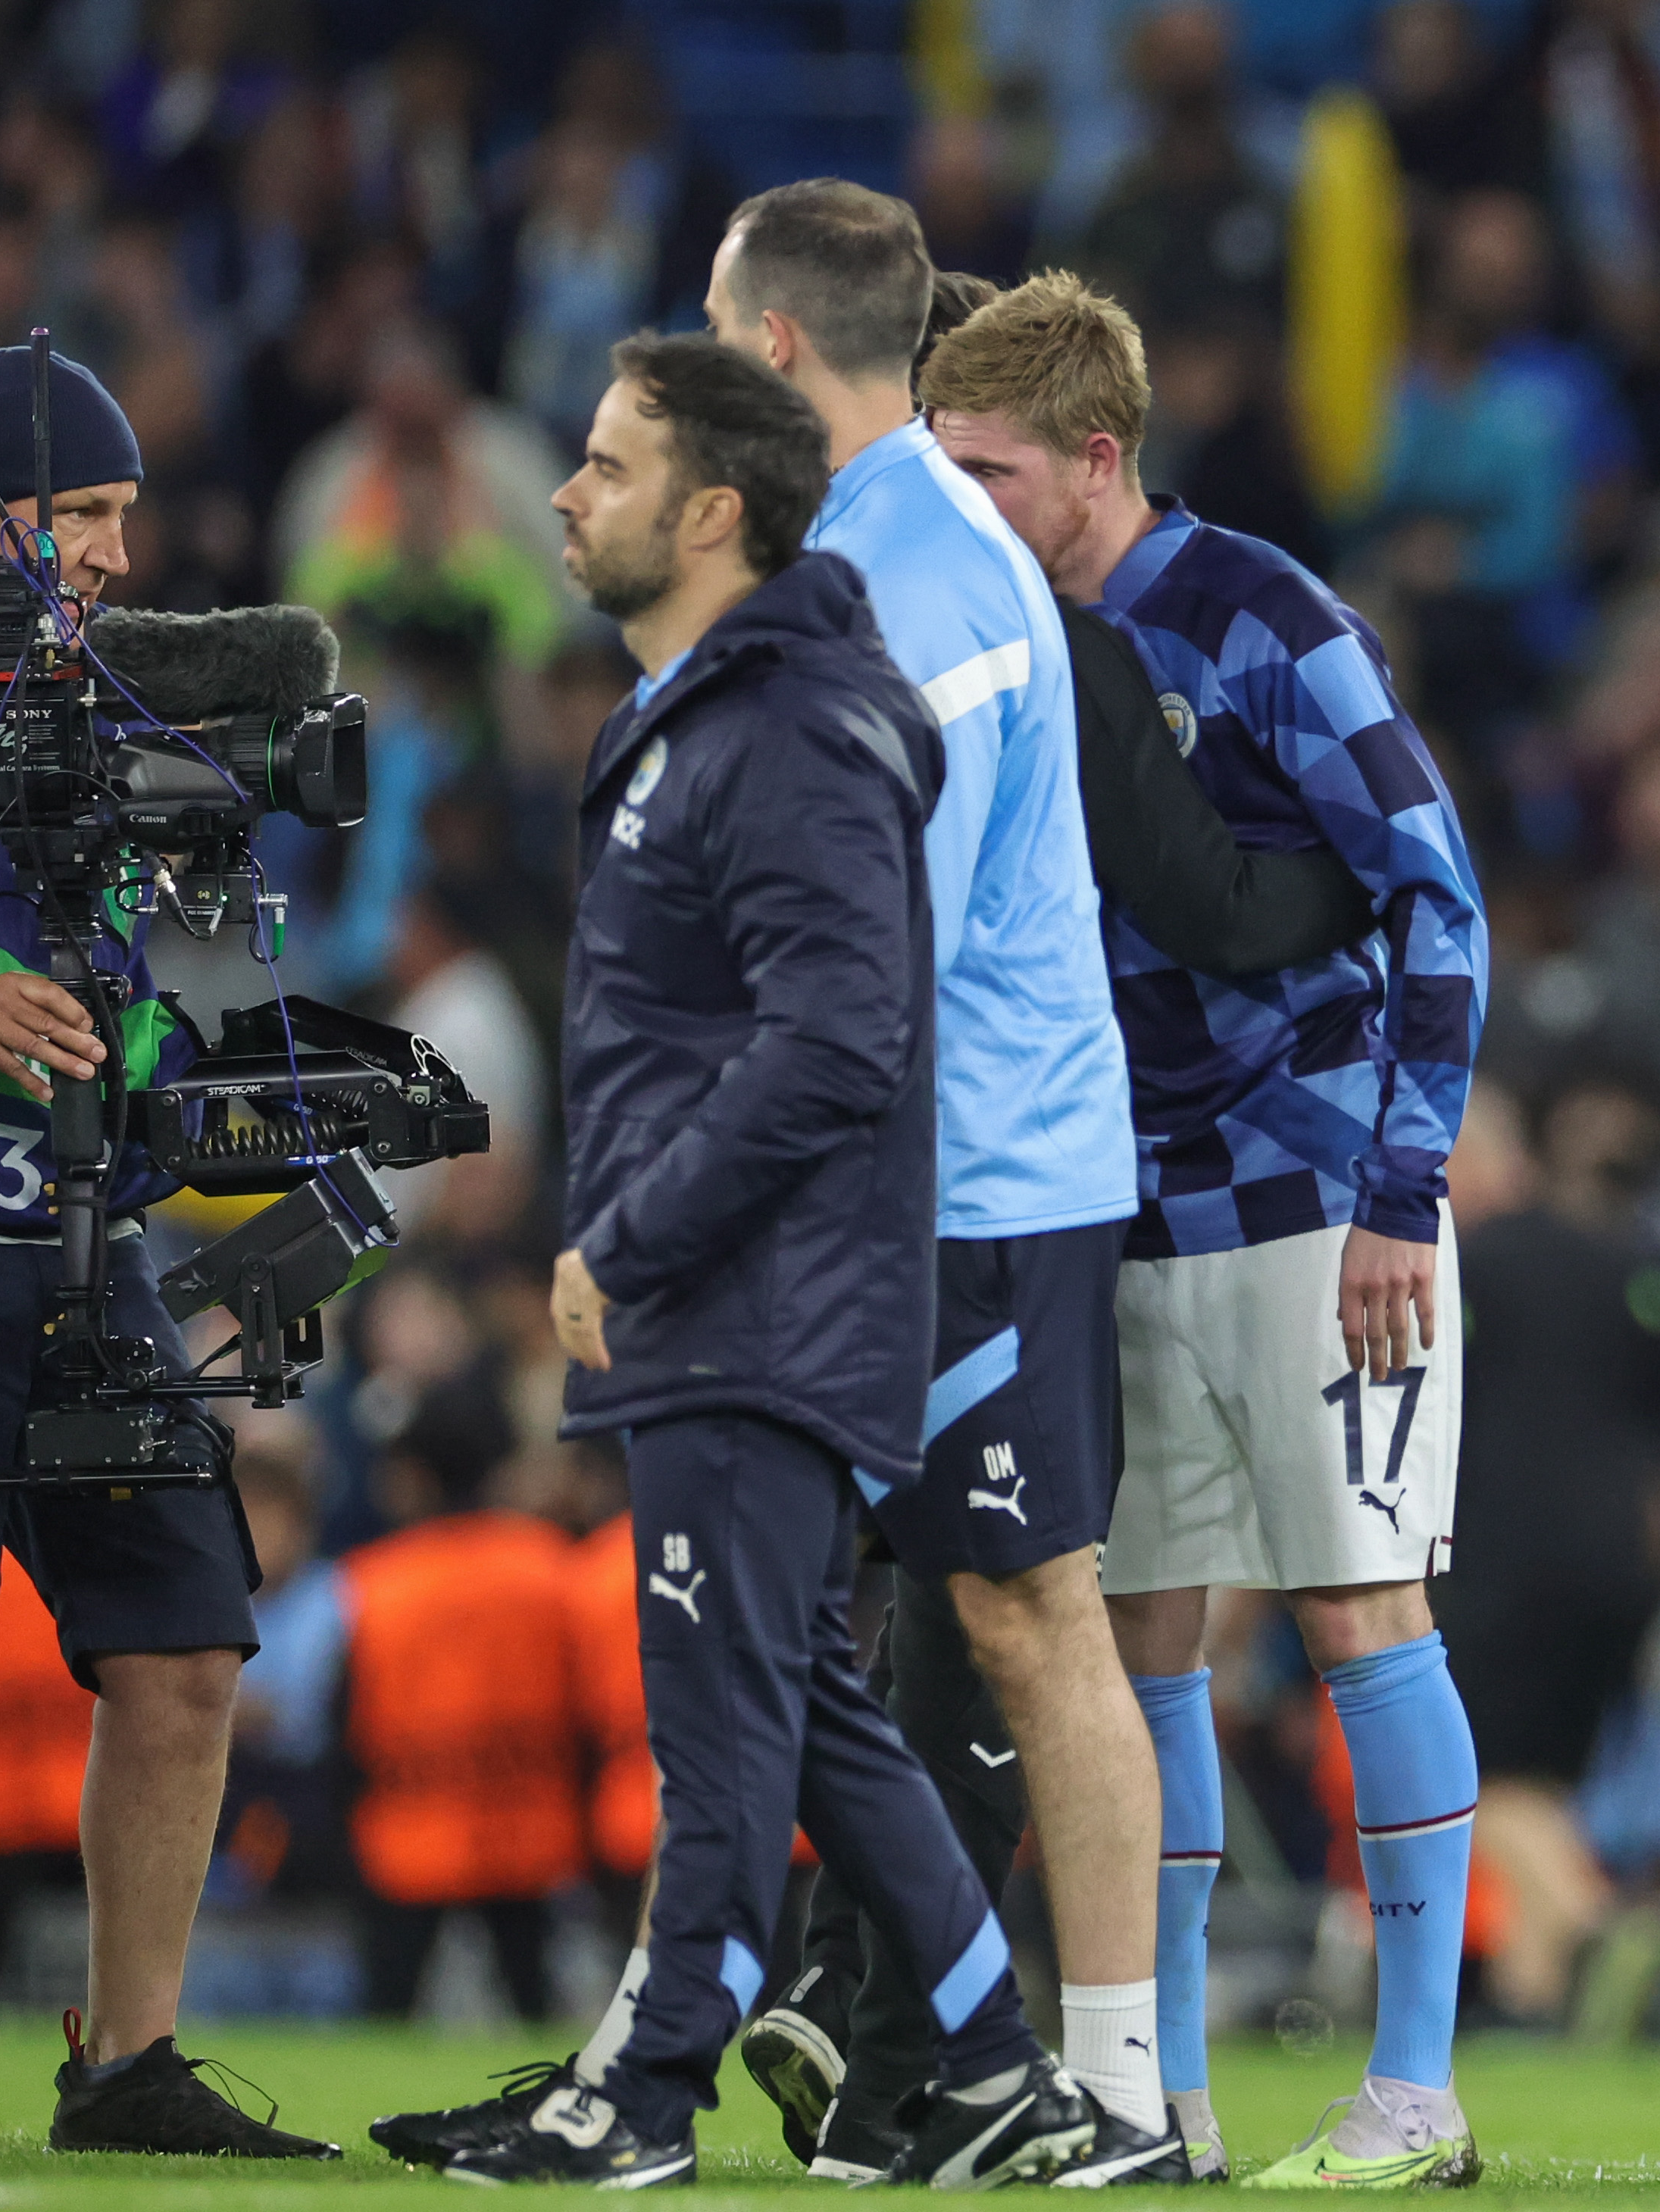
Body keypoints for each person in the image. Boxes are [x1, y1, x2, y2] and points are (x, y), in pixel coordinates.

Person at [437, 333, 1099, 2188]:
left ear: (713, 511)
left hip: (757, 1301)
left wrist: (631, 1234)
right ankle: (994, 2072)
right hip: (756, 1298)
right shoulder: (718, 711)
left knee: (726, 1717)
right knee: (801, 1703)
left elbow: (839, 1037)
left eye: (607, 463)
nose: (567, 492)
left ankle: (649, 2091)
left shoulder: (792, 724)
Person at [918, 269, 1492, 2188]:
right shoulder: (1005, 643)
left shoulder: (1261, 616)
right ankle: (1155, 2089)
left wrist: (1401, 1189)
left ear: (1096, 457)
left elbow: (1437, 894)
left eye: (990, 473)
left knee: (1356, 1606)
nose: (962, 507)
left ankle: (1413, 2089)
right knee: (1134, 1637)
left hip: (1312, 1194)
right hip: (1111, 1203)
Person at [690, 183, 1177, 2182]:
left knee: (1031, 1616)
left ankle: (1113, 2090)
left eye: (709, 329)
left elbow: (883, 934)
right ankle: (929, 2061)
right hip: (928, 1171)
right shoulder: (873, 552)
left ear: (774, 344)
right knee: (873, 1619)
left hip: (976, 1179)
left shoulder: (918, 580)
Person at [0, 345, 333, 2160]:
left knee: (188, 1643)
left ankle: (127, 2065)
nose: (114, 552)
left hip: (78, 1244)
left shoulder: (120, 713)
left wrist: (173, 1056)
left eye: (124, 512)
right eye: (77, 512)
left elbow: (201, 1014)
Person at [336, 1373, 580, 2023]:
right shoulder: (551, 1565)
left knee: (386, 2018)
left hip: (405, 1833)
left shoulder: (371, 1582)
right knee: (536, 2009)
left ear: (415, 1474)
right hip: (530, 1829)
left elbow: (342, 1725)